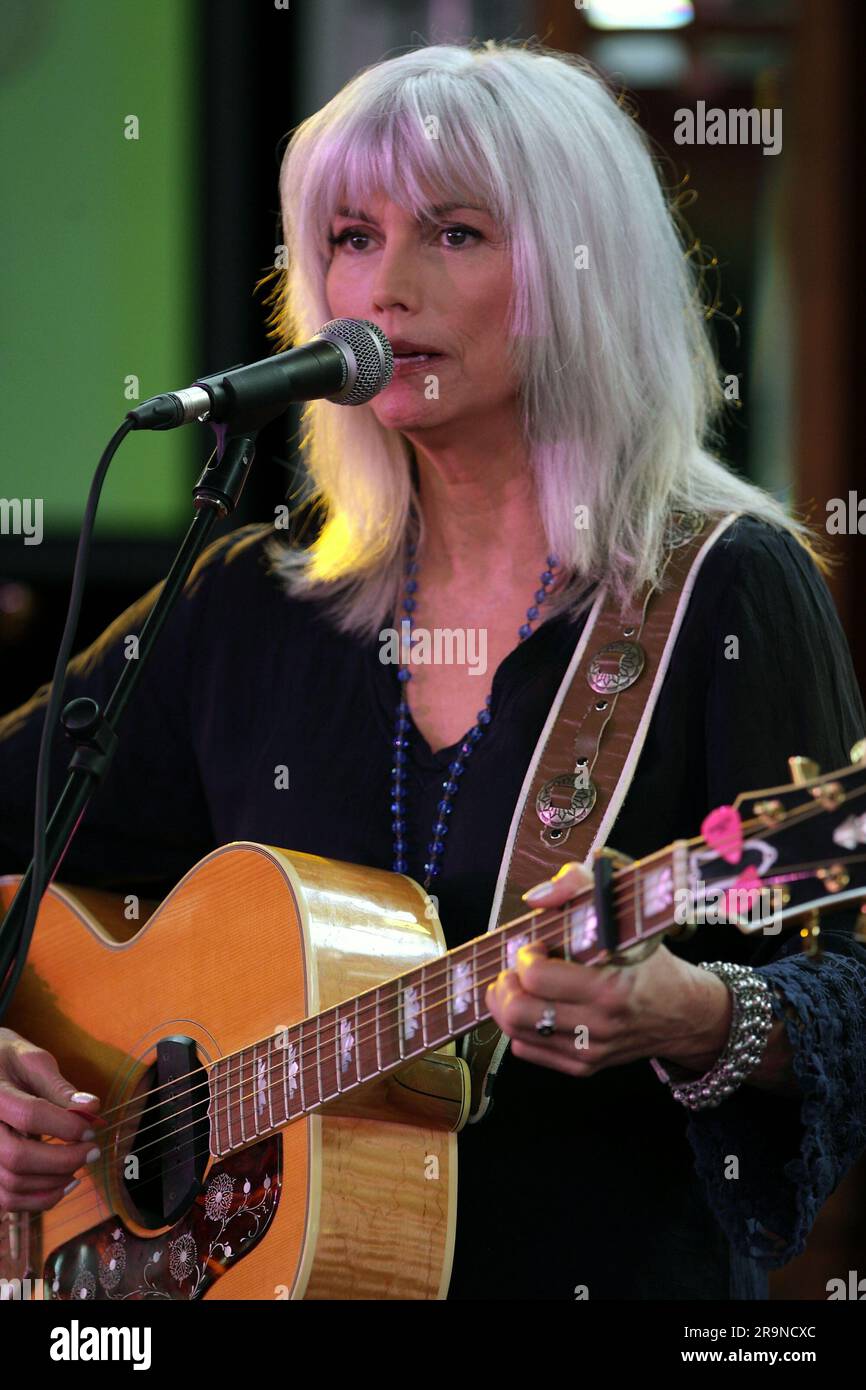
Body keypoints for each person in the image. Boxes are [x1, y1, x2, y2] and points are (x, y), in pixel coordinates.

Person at [1, 40, 865, 1301]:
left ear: (584, 280)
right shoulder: (247, 600)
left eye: (453, 234)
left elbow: (844, 978)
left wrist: (698, 1013)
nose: (383, 288)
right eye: (350, 236)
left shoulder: (722, 589)